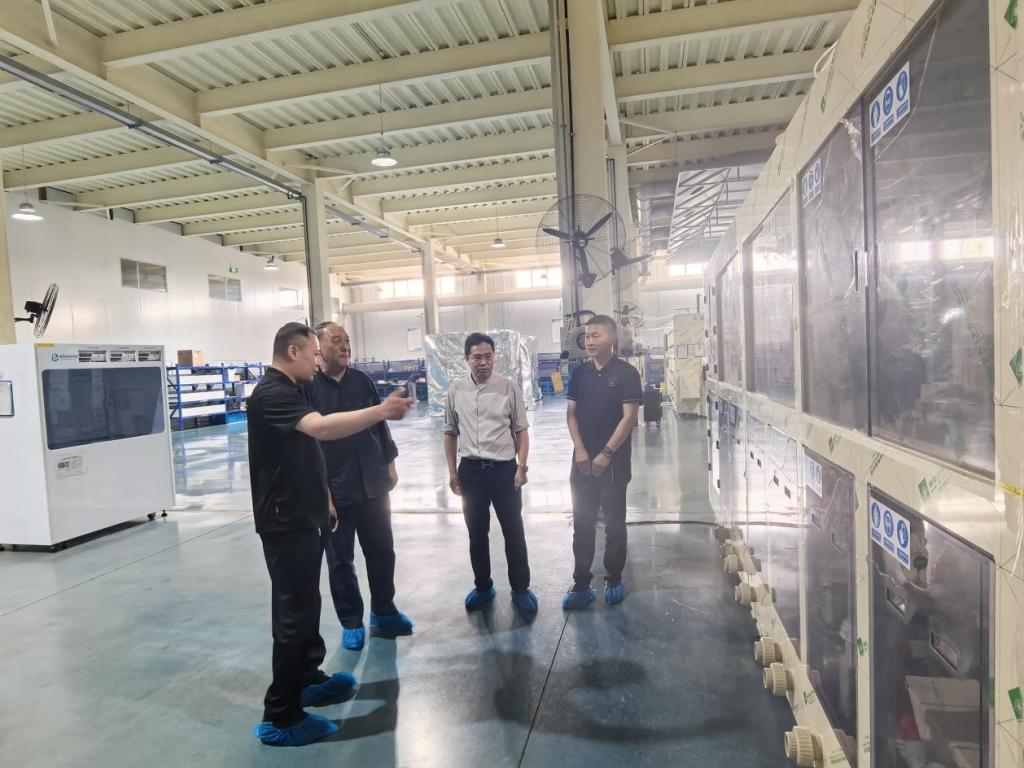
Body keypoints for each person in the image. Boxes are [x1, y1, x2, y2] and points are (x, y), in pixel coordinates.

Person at [248, 322, 415, 747]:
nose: (317, 360)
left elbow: (306, 451)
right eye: (312, 353)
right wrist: (380, 411)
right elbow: (321, 430)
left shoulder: (294, 388)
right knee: (292, 618)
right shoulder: (273, 393)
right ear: (293, 352)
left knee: (307, 606)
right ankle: (281, 716)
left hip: (304, 515)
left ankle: (307, 679)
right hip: (285, 522)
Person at [310, 322, 413, 652]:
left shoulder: (361, 381)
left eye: (347, 341)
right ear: (318, 349)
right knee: (340, 560)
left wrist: (390, 462)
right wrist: (322, 493)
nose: (345, 347)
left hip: (372, 483)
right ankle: (351, 621)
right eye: (336, 341)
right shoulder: (309, 389)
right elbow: (308, 446)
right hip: (335, 490)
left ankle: (383, 610)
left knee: (382, 551)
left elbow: (380, 425)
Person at [444, 332, 538, 615]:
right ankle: (483, 587)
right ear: (466, 359)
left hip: (504, 472)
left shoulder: (509, 388)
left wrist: (521, 466)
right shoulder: (456, 390)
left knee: (514, 531)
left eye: (488, 356)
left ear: (494, 358)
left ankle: (520, 589)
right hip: (471, 471)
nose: (483, 362)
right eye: (477, 357)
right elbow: (450, 432)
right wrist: (452, 472)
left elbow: (521, 431)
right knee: (476, 533)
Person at [563, 315, 642, 610]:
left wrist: (607, 453)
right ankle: (581, 583)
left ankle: (614, 578)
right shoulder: (579, 374)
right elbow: (571, 414)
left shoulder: (626, 373)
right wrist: (580, 450)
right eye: (587, 336)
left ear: (612, 338)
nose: (589, 341)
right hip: (582, 463)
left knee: (615, 525)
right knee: (582, 524)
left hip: (614, 465)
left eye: (596, 335)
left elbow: (629, 418)